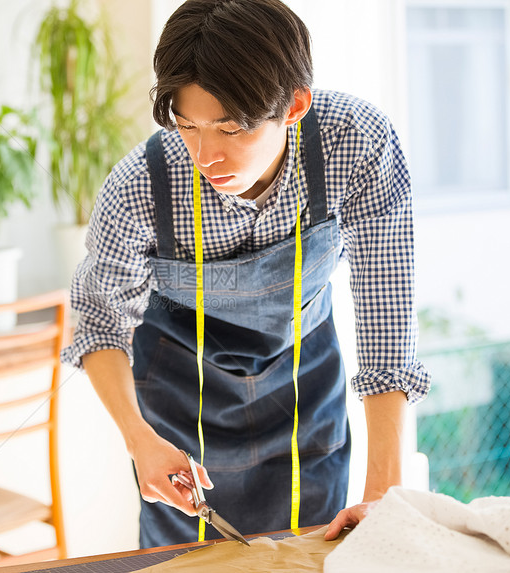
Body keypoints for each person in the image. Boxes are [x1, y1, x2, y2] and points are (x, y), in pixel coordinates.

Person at [61, 0, 430, 548]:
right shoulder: (138, 187)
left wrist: (384, 492)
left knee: (316, 553)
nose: (206, 156)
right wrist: (140, 440)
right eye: (189, 127)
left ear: (294, 106)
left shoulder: (356, 143)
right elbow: (99, 326)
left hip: (307, 391)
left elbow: (387, 316)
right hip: (178, 409)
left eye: (231, 129)